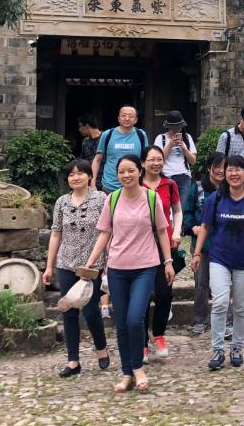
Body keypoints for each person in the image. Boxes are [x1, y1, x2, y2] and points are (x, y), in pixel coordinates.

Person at [83, 154, 174, 393]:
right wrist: (91, 262)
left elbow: (162, 231)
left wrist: (168, 262)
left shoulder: (151, 198)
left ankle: (138, 368)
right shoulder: (112, 199)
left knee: (135, 318)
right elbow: (104, 233)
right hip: (117, 268)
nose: (126, 175)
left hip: (145, 266)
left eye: (130, 170)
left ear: (140, 171)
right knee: (122, 323)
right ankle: (128, 372)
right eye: (121, 171)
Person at [191, 155, 244, 371]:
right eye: (230, 170)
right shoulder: (216, 198)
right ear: (225, 174)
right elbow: (205, 227)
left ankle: (237, 348)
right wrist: (197, 254)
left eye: (238, 169)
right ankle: (217, 349)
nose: (234, 174)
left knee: (241, 307)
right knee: (220, 302)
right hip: (219, 258)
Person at [42, 159, 111, 377]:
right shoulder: (61, 202)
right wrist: (49, 266)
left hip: (92, 264)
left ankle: (101, 347)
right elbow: (56, 233)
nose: (75, 177)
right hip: (66, 263)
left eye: (80, 173)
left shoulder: (101, 199)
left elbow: (107, 231)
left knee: (90, 310)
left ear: (89, 176)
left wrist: (109, 261)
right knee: (68, 309)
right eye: (71, 174)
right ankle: (73, 361)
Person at [141, 145, 182, 358]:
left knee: (164, 292)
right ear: (142, 163)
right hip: (140, 245)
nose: (156, 163)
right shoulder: (136, 185)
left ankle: (158, 334)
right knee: (142, 294)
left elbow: (177, 210)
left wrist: (177, 231)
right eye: (151, 159)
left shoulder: (170, 184)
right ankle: (141, 342)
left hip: (165, 244)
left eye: (159, 159)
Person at [182, 153, 225, 335]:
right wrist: (192, 227)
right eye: (217, 166)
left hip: (223, 245)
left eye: (224, 167)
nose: (221, 170)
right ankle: (200, 318)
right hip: (202, 244)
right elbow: (187, 212)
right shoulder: (198, 188)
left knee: (224, 284)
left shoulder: (231, 188)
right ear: (208, 168)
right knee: (201, 283)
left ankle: (225, 319)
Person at [92, 105, 149, 193]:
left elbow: (146, 159)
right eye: (123, 115)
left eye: (131, 116)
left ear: (136, 120)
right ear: (118, 118)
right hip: (109, 186)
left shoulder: (141, 135)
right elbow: (97, 159)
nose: (127, 118)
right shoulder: (107, 134)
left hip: (134, 186)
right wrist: (93, 182)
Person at [154, 111, 197, 206]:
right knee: (166, 206)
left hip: (184, 176)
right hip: (166, 176)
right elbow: (157, 160)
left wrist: (184, 149)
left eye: (178, 128)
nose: (176, 130)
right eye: (173, 128)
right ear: (168, 127)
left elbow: (193, 161)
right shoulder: (161, 138)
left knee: (180, 208)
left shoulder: (187, 137)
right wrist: (170, 145)